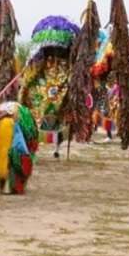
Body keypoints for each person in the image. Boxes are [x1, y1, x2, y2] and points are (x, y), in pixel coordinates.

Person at [19, 15, 79, 158]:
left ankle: (57, 148)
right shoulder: (43, 59)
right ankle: (33, 145)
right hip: (43, 86)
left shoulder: (67, 61)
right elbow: (33, 70)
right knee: (35, 114)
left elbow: (72, 71)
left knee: (61, 117)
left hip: (62, 86)